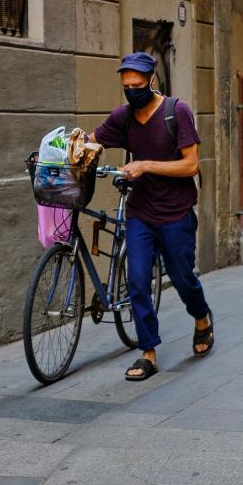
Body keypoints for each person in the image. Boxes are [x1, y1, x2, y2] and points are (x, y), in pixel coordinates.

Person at [89, 52, 213, 381]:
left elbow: (191, 165)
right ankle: (147, 352)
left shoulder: (177, 112)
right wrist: (68, 146)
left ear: (152, 81)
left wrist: (145, 165)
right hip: (141, 211)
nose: (131, 91)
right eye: (126, 86)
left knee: (182, 276)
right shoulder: (124, 117)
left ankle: (201, 317)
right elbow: (93, 141)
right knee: (137, 280)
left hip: (175, 212)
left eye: (137, 85)